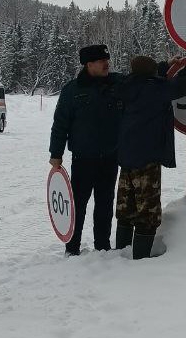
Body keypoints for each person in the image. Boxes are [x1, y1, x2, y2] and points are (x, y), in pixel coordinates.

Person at [114, 54, 186, 259]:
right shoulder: (154, 90)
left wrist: (184, 67)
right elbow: (182, 86)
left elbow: (161, 81)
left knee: (126, 209)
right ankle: (139, 260)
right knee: (147, 213)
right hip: (147, 158)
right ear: (150, 74)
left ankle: (119, 256)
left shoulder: (127, 85)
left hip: (126, 156)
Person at [49, 44, 123, 256]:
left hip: (110, 156)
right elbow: (60, 124)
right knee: (78, 205)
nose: (106, 64)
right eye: (102, 61)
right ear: (89, 64)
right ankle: (72, 248)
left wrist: (165, 67)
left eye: (107, 60)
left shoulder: (117, 83)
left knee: (105, 205)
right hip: (83, 159)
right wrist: (56, 153)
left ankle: (102, 247)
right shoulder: (72, 90)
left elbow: (141, 79)